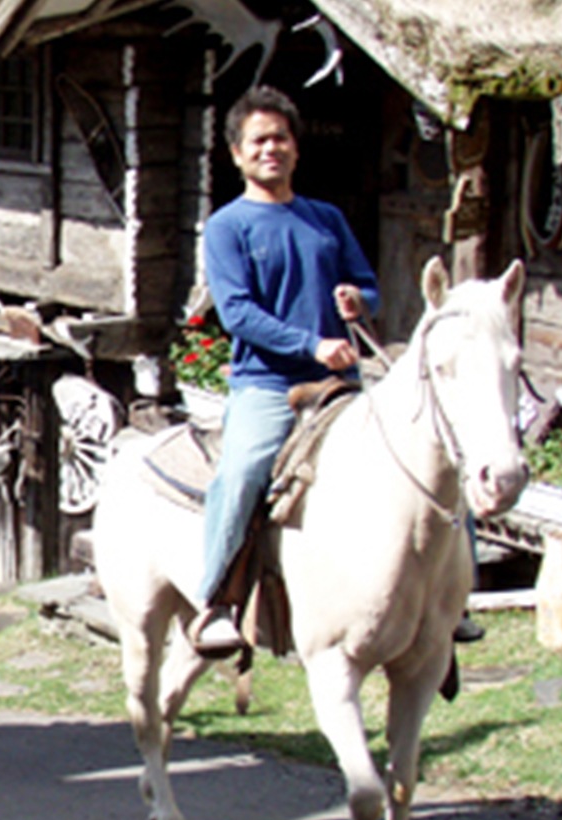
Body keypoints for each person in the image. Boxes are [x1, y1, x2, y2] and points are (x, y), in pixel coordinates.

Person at [193, 85, 379, 657]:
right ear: (237, 154)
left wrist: (357, 299)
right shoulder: (228, 227)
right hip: (269, 384)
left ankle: (450, 602)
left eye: (280, 138)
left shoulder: (325, 218)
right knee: (244, 469)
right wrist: (311, 344)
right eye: (258, 141)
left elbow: (366, 282)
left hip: (338, 381)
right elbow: (237, 313)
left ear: (296, 148)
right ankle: (216, 602)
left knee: (418, 448)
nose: (270, 149)